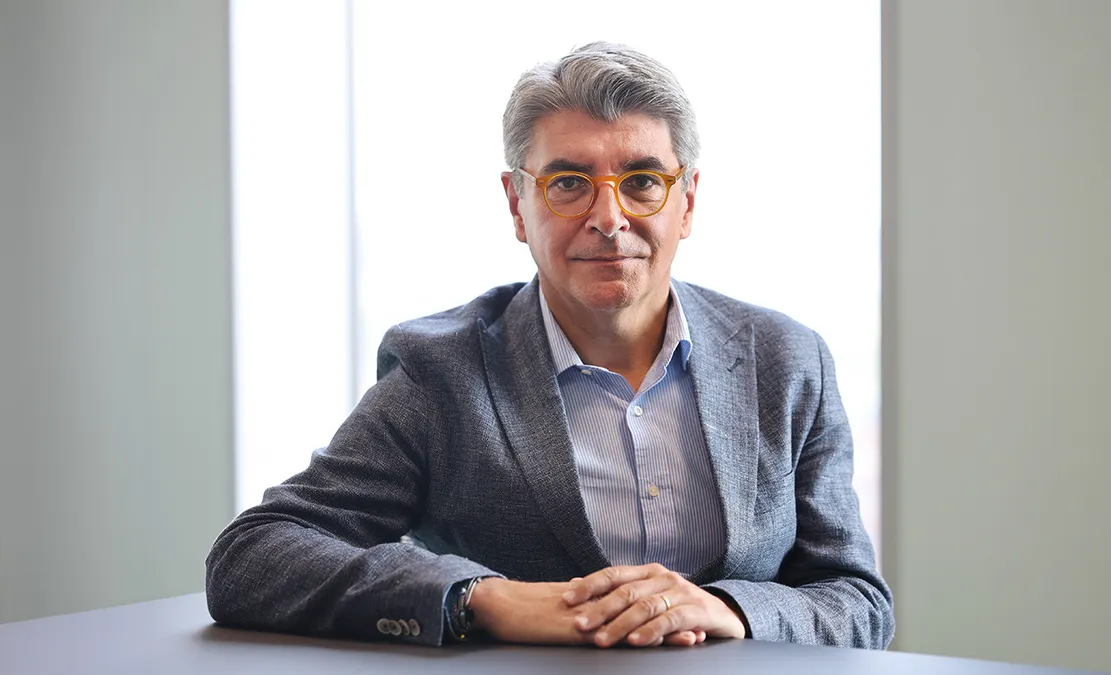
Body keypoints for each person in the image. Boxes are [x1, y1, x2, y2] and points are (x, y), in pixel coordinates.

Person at [205, 41, 893, 650]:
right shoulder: (440, 372)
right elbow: (251, 557)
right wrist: (484, 598)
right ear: (516, 204)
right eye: (568, 183)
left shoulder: (789, 362)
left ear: (687, 202)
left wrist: (728, 608)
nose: (608, 217)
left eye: (642, 182)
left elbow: (857, 601)